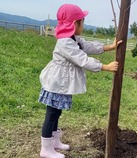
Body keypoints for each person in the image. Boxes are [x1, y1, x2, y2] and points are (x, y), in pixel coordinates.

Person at [38, 4, 122, 158]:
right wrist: (105, 66)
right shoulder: (65, 43)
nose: (83, 25)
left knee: (57, 112)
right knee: (51, 114)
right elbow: (82, 59)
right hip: (56, 83)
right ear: (74, 23)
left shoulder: (73, 38)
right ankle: (46, 149)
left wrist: (109, 47)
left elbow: (87, 46)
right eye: (82, 22)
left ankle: (54, 141)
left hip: (61, 83)